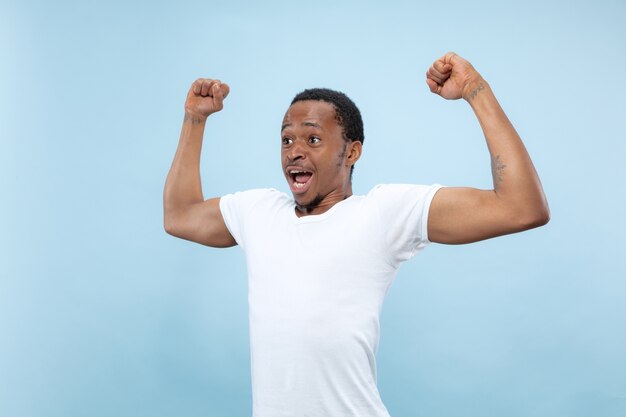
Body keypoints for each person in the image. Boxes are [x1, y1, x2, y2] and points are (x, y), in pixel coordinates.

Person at [163, 52, 549, 417]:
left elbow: (521, 207)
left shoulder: (382, 213)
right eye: (286, 140)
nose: (294, 151)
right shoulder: (258, 212)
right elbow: (180, 216)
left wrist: (475, 90)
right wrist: (194, 119)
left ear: (352, 152)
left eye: (312, 139)